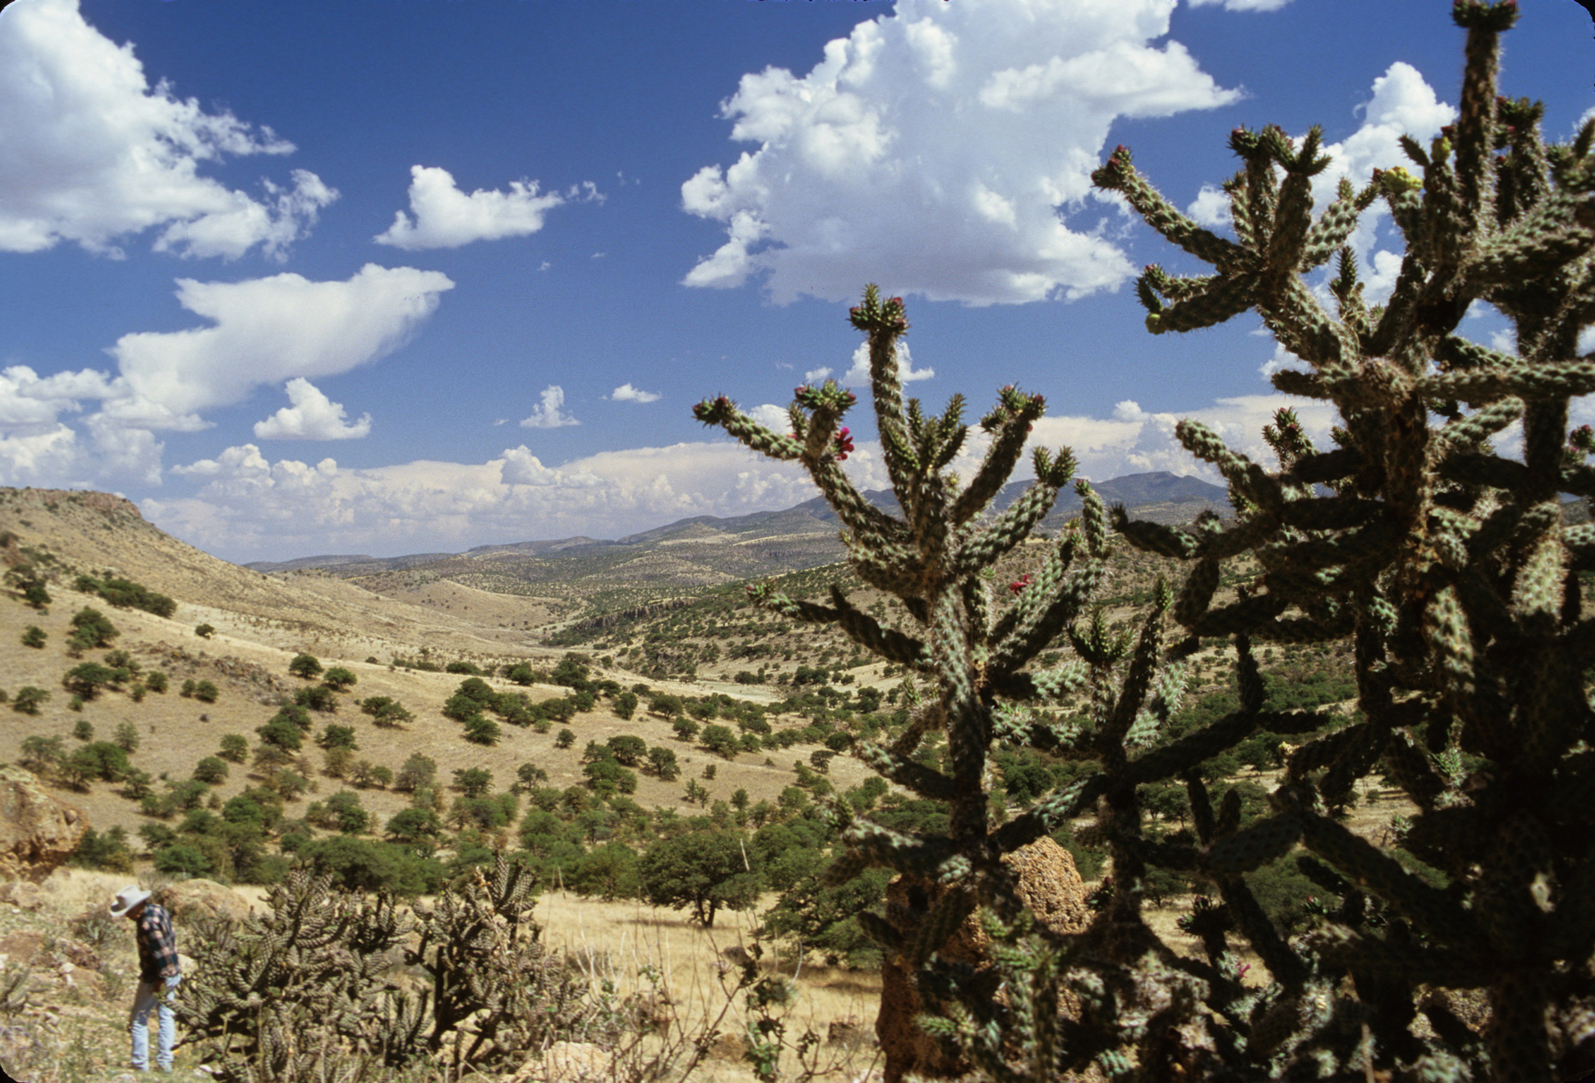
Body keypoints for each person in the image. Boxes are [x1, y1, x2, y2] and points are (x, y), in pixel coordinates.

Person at [110, 886, 181, 1073]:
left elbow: (162, 954)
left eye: (128, 911)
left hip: (158, 976)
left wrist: (161, 980)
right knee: (166, 1016)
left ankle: (140, 1065)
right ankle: (165, 1064)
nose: (127, 916)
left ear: (136, 907)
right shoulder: (157, 909)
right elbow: (170, 942)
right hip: (173, 973)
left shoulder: (146, 924)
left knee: (139, 1018)